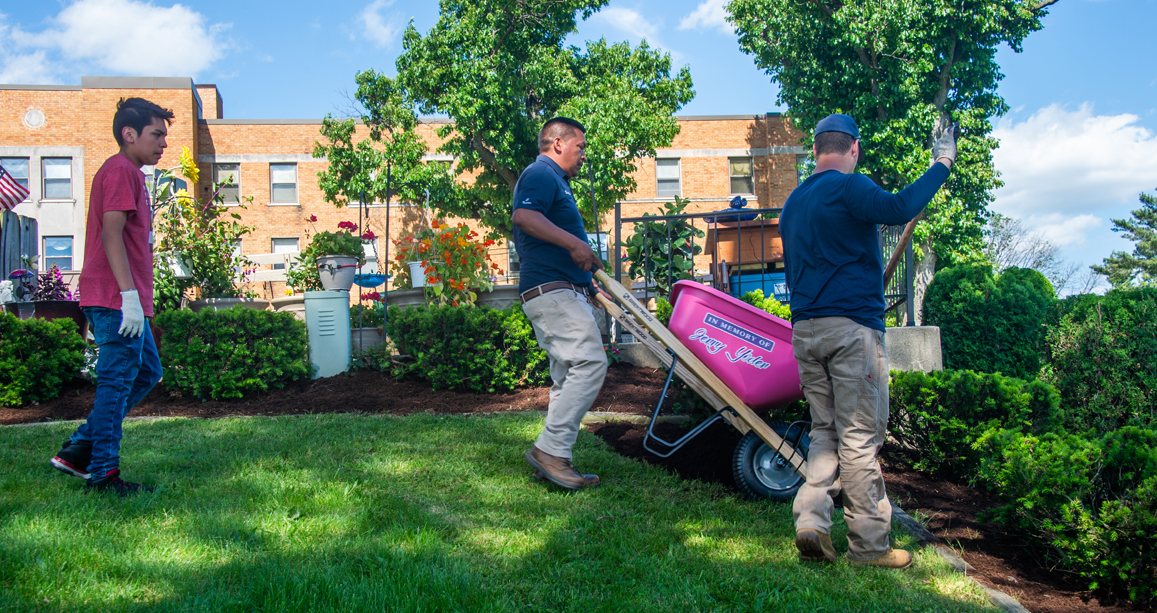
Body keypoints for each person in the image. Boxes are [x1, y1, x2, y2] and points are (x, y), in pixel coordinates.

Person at [779, 113, 956, 568]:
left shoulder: (795, 202)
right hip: (851, 331)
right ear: (853, 148)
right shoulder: (849, 185)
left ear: (816, 149)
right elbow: (899, 207)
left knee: (825, 432)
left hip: (806, 330)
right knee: (859, 439)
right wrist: (942, 164)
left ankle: (812, 522)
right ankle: (870, 547)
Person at [50, 97, 173, 496]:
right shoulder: (121, 170)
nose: (163, 144)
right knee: (116, 384)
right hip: (115, 298)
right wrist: (129, 298)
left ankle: (78, 448)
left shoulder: (129, 173)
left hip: (122, 297)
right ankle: (103, 474)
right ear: (129, 133)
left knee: (146, 373)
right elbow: (110, 234)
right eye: (157, 134)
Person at [512, 116, 610, 490]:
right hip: (549, 291)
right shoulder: (540, 174)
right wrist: (575, 244)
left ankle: (555, 459)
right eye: (579, 147)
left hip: (564, 289)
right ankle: (550, 451)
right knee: (589, 361)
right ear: (557, 143)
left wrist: (588, 287)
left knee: (567, 375)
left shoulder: (558, 183)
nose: (583, 154)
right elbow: (524, 216)